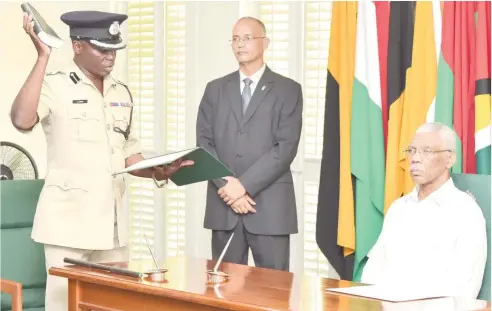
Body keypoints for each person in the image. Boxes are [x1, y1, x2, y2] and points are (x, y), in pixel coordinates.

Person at [11, 10, 192, 311]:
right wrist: (42, 57)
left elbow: (128, 154)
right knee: (64, 306)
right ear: (78, 46)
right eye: (102, 48)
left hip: (113, 228)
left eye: (115, 49)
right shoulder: (54, 85)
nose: (111, 56)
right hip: (68, 226)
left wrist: (160, 170)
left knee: (111, 306)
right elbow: (21, 119)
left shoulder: (121, 92)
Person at [196, 16, 303, 271]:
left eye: (247, 38)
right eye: (235, 38)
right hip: (224, 208)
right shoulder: (215, 89)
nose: (240, 44)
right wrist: (227, 185)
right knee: (223, 291)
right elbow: (203, 143)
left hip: (269, 208)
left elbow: (285, 148)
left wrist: (242, 187)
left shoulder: (288, 90)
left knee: (273, 295)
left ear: (265, 42)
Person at [361, 122, 487, 299]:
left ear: (449, 159)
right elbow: (372, 273)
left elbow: (464, 289)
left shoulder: (466, 212)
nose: (415, 158)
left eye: (426, 151)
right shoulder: (398, 209)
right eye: (411, 151)